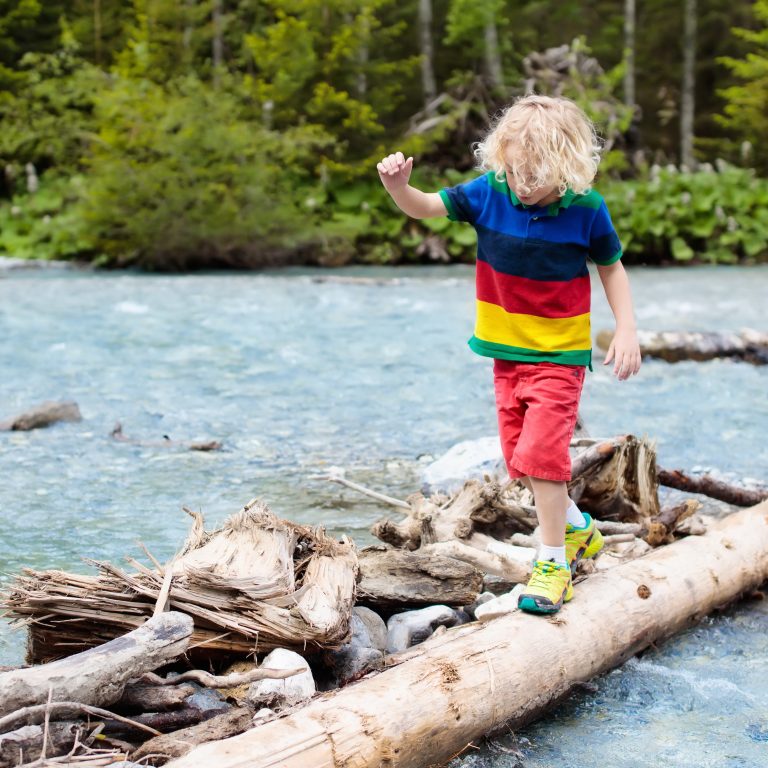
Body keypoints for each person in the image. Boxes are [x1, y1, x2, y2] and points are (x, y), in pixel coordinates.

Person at [376, 94, 641, 614]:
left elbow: (611, 266)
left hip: (560, 356)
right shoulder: (489, 193)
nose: (523, 184)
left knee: (544, 459)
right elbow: (427, 205)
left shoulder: (586, 209)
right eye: (515, 171)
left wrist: (626, 328)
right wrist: (398, 187)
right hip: (505, 355)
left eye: (535, 176)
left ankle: (552, 565)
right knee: (521, 463)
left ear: (566, 168)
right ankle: (579, 529)